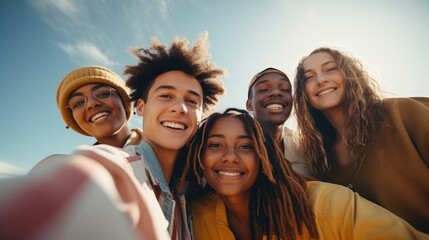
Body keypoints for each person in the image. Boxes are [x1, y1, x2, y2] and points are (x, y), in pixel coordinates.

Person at [180, 108, 428, 240]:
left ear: (266, 157)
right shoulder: (193, 219)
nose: (230, 156)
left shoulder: (330, 206)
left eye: (246, 146)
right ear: (199, 156)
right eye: (215, 145)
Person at [293, 46, 429, 233]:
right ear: (303, 94)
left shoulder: (400, 113)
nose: (321, 80)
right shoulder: (321, 162)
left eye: (330, 69)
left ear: (349, 74)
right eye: (309, 77)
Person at [123, 32, 226, 239]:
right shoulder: (119, 172)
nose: (180, 108)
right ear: (141, 107)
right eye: (166, 96)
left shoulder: (185, 193)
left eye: (191, 101)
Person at [56, 65, 142, 147]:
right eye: (78, 103)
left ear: (124, 102)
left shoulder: (154, 143)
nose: (91, 103)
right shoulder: (78, 161)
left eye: (103, 94)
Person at [246, 67, 309, 176]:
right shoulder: (234, 146)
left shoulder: (307, 148)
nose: (275, 92)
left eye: (285, 89)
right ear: (249, 105)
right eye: (263, 89)